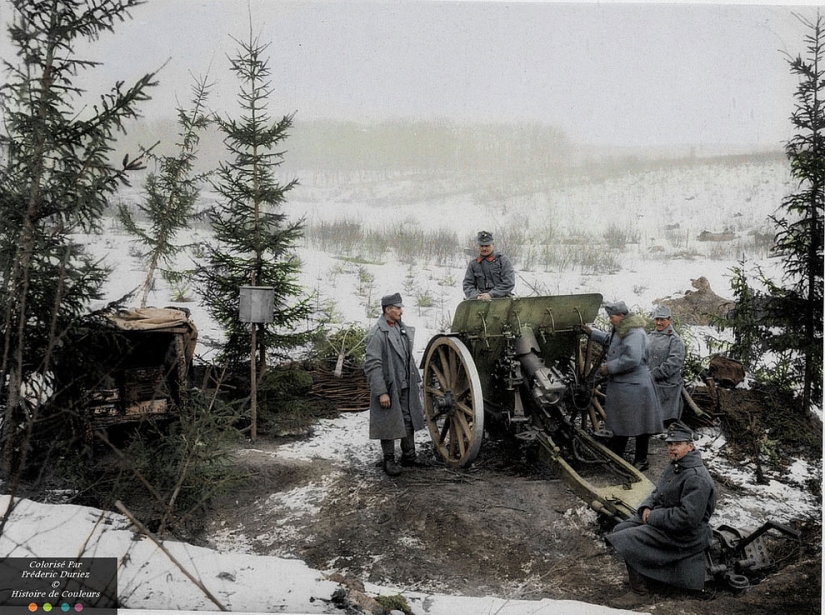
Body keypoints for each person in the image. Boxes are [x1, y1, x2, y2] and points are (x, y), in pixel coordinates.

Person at [606, 420, 716, 608]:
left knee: (629, 538)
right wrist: (646, 508)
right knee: (620, 528)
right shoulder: (677, 466)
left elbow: (687, 518)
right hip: (668, 525)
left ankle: (640, 592)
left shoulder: (696, 477)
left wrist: (652, 517)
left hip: (685, 535)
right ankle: (644, 575)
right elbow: (658, 493)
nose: (672, 448)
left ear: (690, 446)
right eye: (670, 444)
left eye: (678, 444)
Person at [581, 301, 663, 470]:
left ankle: (641, 460)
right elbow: (612, 341)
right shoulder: (625, 328)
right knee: (622, 421)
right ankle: (617, 455)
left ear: (621, 316)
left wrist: (609, 367)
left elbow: (632, 359)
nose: (610, 320)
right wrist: (593, 333)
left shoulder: (634, 333)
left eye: (612, 317)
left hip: (634, 384)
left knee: (641, 424)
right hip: (626, 384)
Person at [363, 292, 427, 476]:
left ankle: (409, 456)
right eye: (398, 308)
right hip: (389, 386)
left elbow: (408, 357)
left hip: (406, 383)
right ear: (388, 309)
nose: (401, 311)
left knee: (408, 419)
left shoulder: (401, 328)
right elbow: (373, 365)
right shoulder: (377, 333)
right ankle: (388, 460)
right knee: (388, 421)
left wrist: (415, 380)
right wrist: (381, 392)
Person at [647, 305, 686, 427]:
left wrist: (653, 375)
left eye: (662, 320)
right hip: (648, 382)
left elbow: (673, 363)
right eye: (657, 319)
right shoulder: (650, 337)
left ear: (670, 320)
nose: (659, 323)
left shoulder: (675, 340)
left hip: (666, 386)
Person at [462, 230, 515, 300]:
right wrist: (476, 296)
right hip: (481, 301)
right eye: (481, 246)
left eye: (487, 245)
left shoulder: (502, 260)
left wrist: (491, 294)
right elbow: (468, 284)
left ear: (493, 244)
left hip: (502, 299)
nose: (484, 248)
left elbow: (509, 282)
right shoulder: (474, 264)